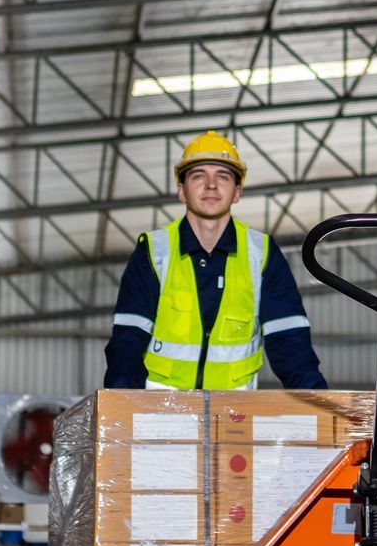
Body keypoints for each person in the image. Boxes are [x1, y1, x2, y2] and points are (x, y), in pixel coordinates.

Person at [103, 130, 327, 390]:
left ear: (237, 192)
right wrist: (120, 415)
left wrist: (321, 411)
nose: (211, 185)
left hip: (233, 418)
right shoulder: (153, 252)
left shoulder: (262, 254)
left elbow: (290, 344)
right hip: (160, 417)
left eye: (223, 176)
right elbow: (126, 345)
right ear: (181, 191)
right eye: (199, 176)